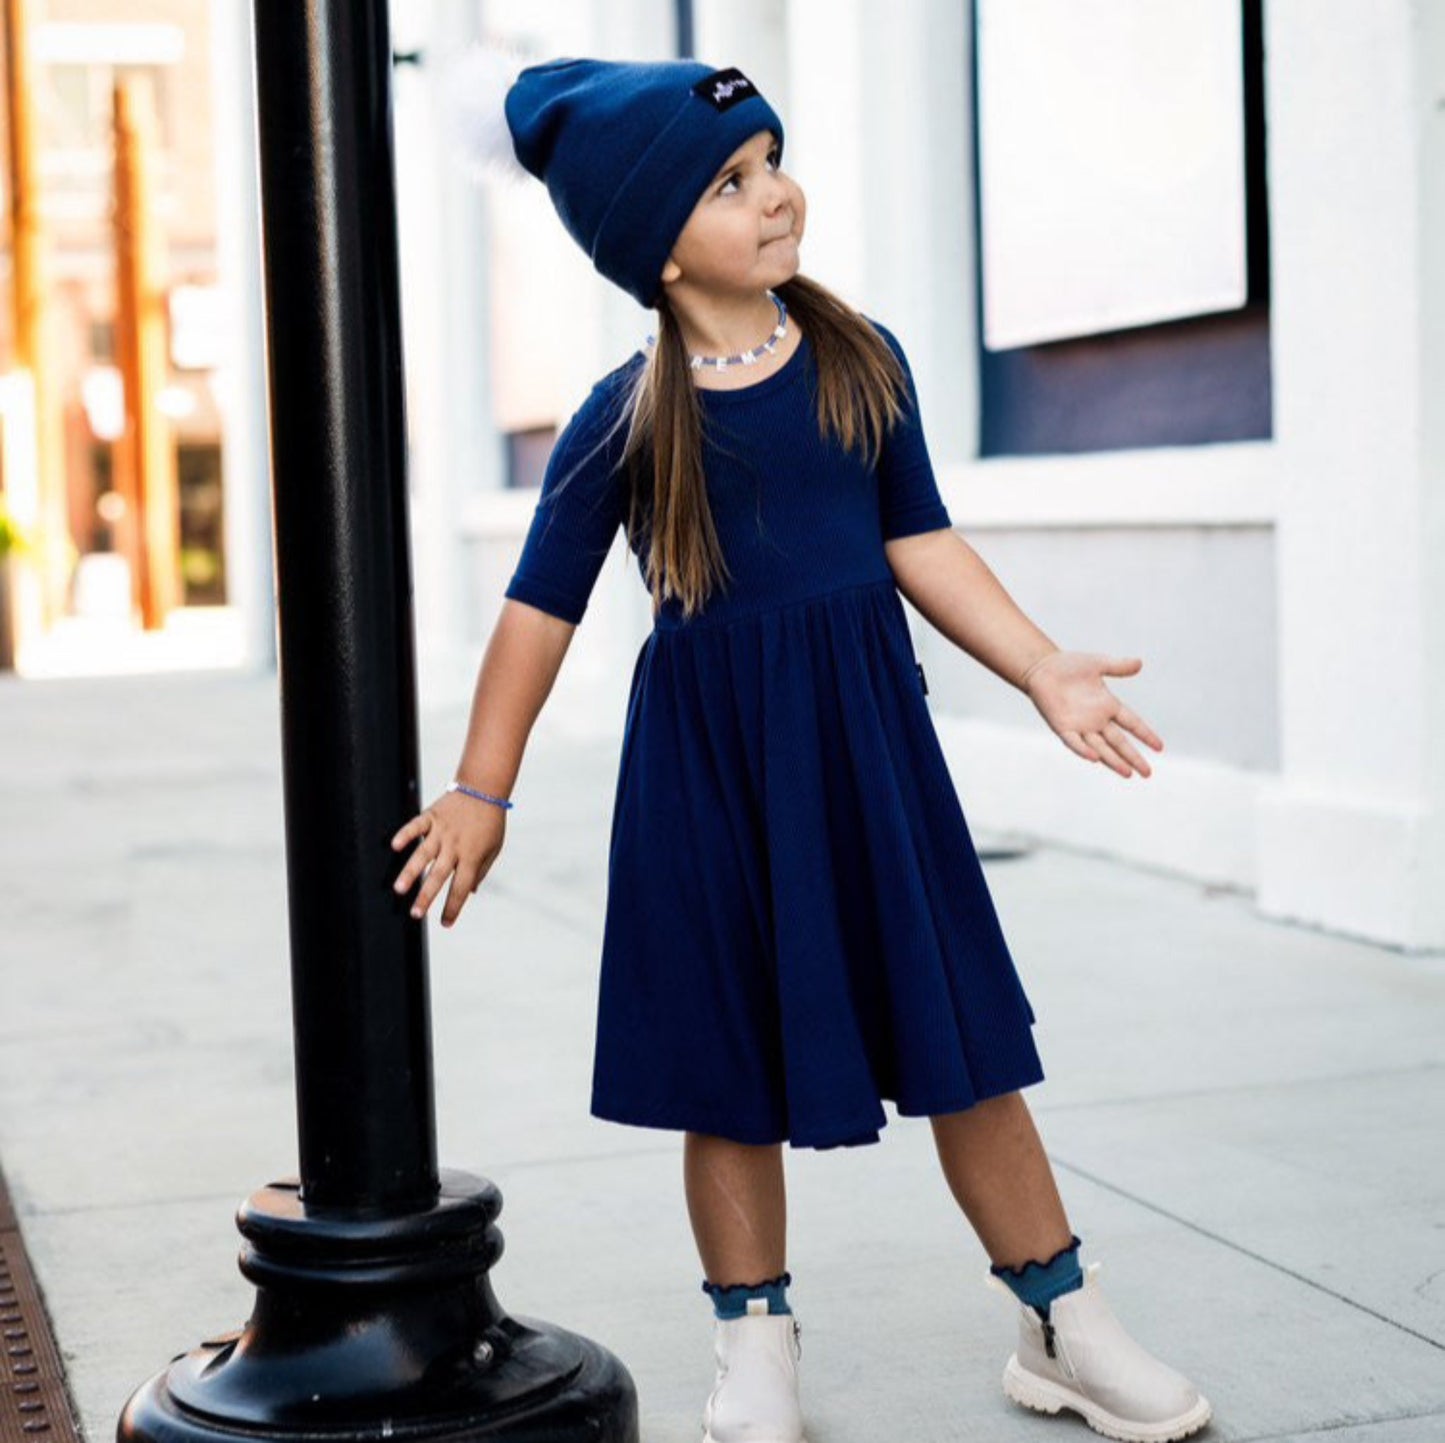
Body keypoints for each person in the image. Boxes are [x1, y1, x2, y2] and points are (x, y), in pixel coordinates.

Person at [393, 54, 1213, 1443]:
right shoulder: (623, 417)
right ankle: (754, 1344)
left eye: (772, 161)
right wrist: (483, 786)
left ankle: (1062, 1320)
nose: (776, 196)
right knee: (728, 1069)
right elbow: (537, 614)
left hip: (865, 760)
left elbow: (920, 540)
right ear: (652, 245)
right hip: (709, 775)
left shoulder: (856, 356)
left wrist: (1035, 666)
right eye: (732, 182)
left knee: (961, 1044)